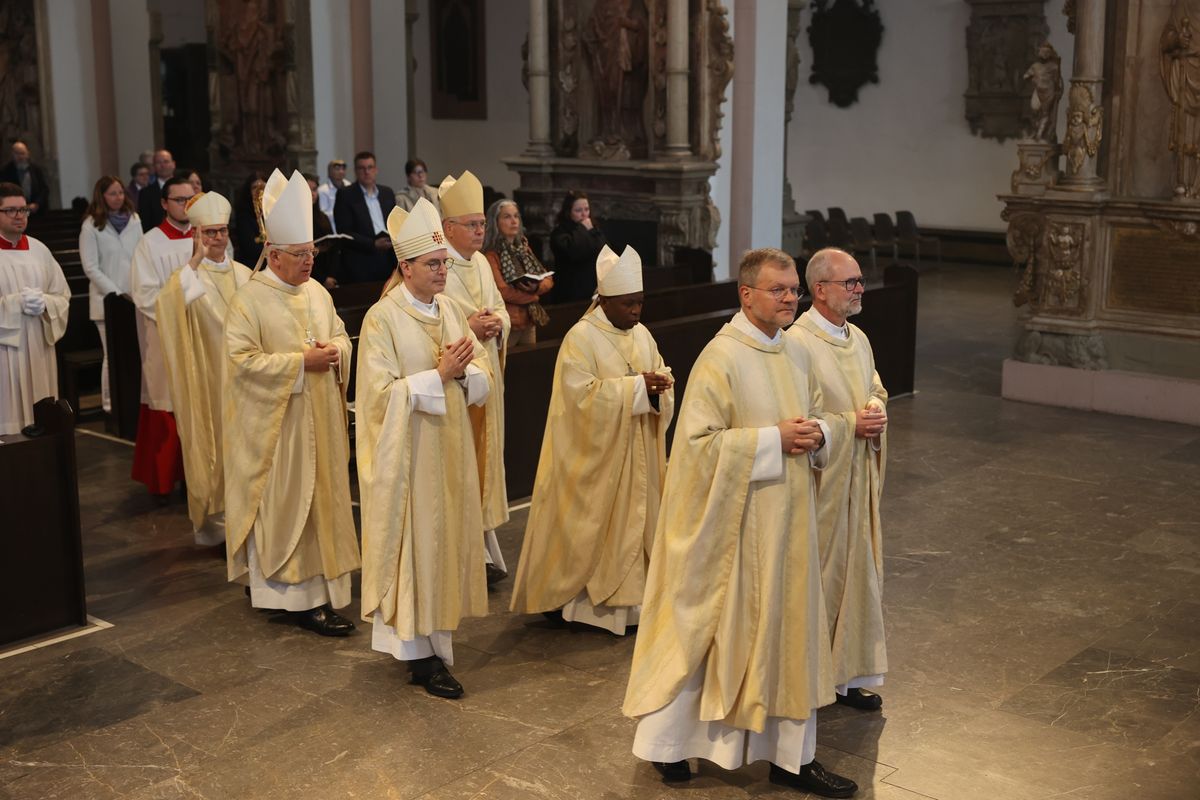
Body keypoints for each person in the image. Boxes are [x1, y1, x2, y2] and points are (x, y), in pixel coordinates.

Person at [623, 248, 859, 798]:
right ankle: (670, 747)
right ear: (745, 294)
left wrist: (822, 434)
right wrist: (771, 439)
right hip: (733, 529)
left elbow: (821, 413)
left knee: (790, 633)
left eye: (794, 289)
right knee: (707, 632)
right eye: (777, 289)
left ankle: (793, 760)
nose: (789, 298)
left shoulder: (797, 353)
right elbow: (695, 448)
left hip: (790, 523)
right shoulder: (720, 358)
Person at [357, 197, 492, 698]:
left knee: (443, 547)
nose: (442, 271)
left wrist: (463, 375)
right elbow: (376, 397)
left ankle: (437, 644)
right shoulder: (382, 319)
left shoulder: (452, 310)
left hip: (449, 454)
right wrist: (438, 375)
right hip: (409, 460)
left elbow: (480, 378)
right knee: (417, 549)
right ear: (405, 267)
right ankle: (419, 657)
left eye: (443, 263)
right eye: (432, 264)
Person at [222, 169, 360, 636]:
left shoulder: (319, 293)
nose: (310, 261)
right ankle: (296, 599)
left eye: (312, 252)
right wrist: (301, 363)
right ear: (274, 255)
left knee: (321, 503)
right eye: (301, 254)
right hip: (277, 430)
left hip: (321, 418)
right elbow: (240, 362)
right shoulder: (249, 301)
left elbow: (342, 337)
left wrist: (336, 353)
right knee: (285, 505)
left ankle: (312, 591)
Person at [510, 244, 672, 634]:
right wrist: (635, 389)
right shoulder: (581, 338)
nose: (636, 312)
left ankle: (633, 604)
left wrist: (659, 387)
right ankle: (580, 606)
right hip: (596, 461)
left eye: (640, 303)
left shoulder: (642, 334)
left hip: (637, 455)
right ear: (605, 300)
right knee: (592, 530)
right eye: (628, 304)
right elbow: (577, 399)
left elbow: (658, 371)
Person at [787, 247, 888, 714]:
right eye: (850, 282)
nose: (859, 289)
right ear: (820, 289)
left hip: (857, 480)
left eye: (860, 281)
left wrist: (875, 407)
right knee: (823, 579)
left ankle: (848, 674)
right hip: (821, 486)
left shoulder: (859, 338)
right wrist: (852, 424)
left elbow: (875, 386)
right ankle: (816, 678)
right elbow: (799, 418)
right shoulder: (798, 344)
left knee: (859, 576)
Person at [155, 191, 251, 547]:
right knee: (215, 446)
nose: (217, 239)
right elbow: (168, 306)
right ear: (196, 235)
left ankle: (246, 517)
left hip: (245, 379)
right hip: (209, 377)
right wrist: (193, 262)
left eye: (222, 231)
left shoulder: (244, 274)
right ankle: (216, 526)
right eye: (209, 233)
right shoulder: (189, 276)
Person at [439, 170, 511, 585]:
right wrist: (470, 324)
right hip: (458, 381)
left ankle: (483, 548)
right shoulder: (436, 263)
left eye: (483, 223)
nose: (481, 230)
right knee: (464, 463)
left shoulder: (483, 263)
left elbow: (499, 307)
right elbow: (437, 322)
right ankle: (468, 553)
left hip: (486, 379)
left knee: (484, 460)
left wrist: (496, 323)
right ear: (449, 228)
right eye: (473, 224)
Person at [129, 176, 195, 498]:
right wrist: (179, 305)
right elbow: (143, 294)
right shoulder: (150, 243)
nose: (186, 205)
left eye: (191, 199)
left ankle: (199, 478)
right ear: (165, 204)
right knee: (167, 403)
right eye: (179, 199)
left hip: (202, 336)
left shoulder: (210, 237)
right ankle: (165, 479)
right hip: (165, 335)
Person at [0, 182, 69, 434]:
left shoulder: (39, 250)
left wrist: (46, 303)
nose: (19, 216)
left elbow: (62, 295)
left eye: (24, 209)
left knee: (41, 418)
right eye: (10, 210)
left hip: (39, 343)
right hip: (6, 349)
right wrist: (15, 303)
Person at [79, 176, 142, 414]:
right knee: (111, 354)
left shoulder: (135, 220)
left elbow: (141, 254)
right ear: (102, 196)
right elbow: (91, 267)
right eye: (112, 193)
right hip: (107, 300)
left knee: (134, 353)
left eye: (120, 193)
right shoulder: (91, 225)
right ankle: (110, 404)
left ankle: (134, 400)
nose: (118, 197)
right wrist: (116, 293)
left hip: (133, 297)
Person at [482, 199, 553, 347]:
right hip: (509, 320)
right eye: (507, 217)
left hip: (530, 318)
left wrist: (536, 288)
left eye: (516, 216)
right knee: (509, 366)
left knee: (528, 364)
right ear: (496, 222)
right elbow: (502, 291)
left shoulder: (524, 249)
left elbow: (548, 280)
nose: (513, 221)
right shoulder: (491, 255)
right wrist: (533, 296)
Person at [333, 151, 396, 283]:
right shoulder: (345, 195)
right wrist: (373, 244)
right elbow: (344, 232)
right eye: (362, 168)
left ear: (376, 170)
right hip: (361, 260)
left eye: (370, 167)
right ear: (356, 171)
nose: (366, 172)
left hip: (388, 258)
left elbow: (395, 223)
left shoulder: (387, 193)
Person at [549, 191, 608, 303]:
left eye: (586, 209)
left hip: (593, 289)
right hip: (570, 292)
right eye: (578, 210)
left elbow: (605, 252)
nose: (584, 214)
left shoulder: (592, 228)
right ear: (568, 212)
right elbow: (574, 252)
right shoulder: (560, 233)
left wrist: (593, 231)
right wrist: (582, 229)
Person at [305, 173, 340, 290]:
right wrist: (322, 279)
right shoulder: (296, 220)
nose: (312, 194)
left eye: (314, 189)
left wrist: (331, 276)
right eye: (307, 189)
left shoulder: (322, 217)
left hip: (328, 270)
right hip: (310, 274)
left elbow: (333, 248)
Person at [0, 141, 50, 216]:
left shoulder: (36, 169)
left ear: (27, 154)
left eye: (23, 153)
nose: (20, 156)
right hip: (15, 214)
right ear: (12, 155)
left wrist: (37, 204)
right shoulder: (5, 171)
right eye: (17, 153)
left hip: (37, 213)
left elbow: (44, 189)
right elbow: (4, 192)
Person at [137, 149, 178, 232]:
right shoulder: (145, 193)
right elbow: (145, 224)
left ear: (173, 164)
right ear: (154, 167)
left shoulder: (185, 188)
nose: (162, 165)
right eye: (158, 163)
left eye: (166, 162)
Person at [316, 158, 349, 230]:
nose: (341, 171)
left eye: (343, 168)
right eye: (337, 169)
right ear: (329, 172)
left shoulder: (349, 186)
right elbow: (323, 214)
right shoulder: (322, 190)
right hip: (331, 227)